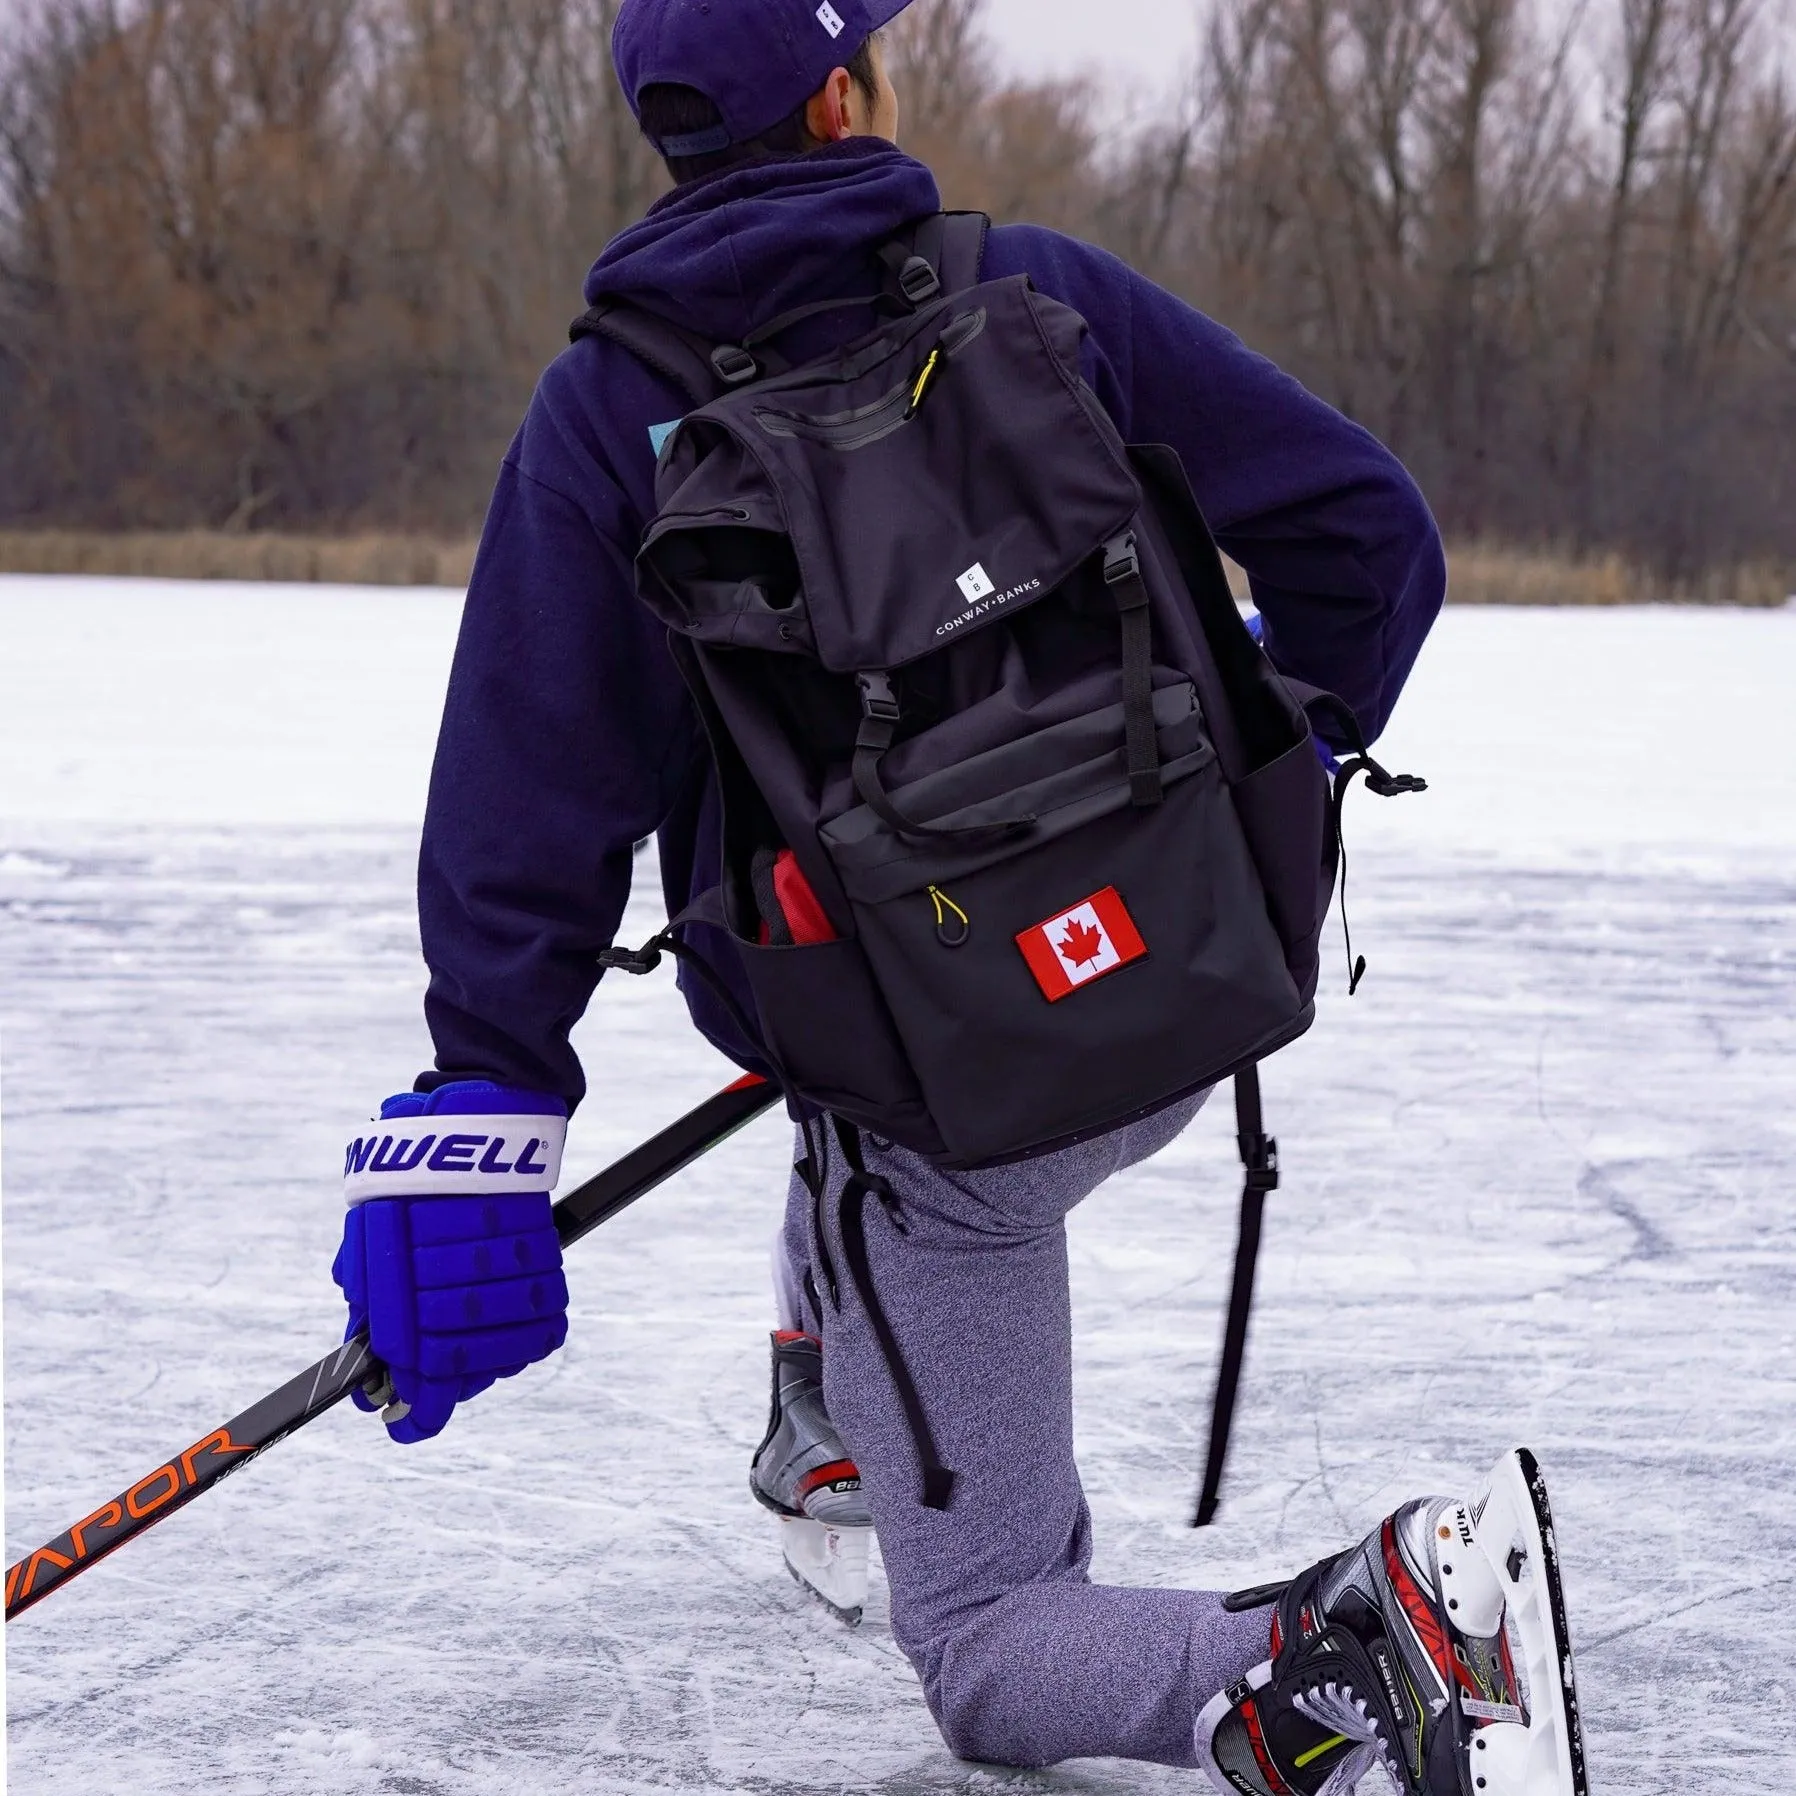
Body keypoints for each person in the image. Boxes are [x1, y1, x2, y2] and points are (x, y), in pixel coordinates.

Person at [331, 3, 1586, 1791]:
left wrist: (487, 1099)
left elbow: (523, 804)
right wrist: (1273, 770)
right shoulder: (1034, 287)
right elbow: (1372, 542)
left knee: (992, 1650)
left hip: (942, 1118)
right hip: (1188, 988)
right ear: (845, 99)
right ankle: (832, 1401)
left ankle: (1401, 1636)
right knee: (837, 1065)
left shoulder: (613, 411)